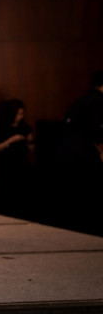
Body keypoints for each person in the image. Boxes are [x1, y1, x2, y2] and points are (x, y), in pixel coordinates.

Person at [57, 70, 103, 235]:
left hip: (66, 152)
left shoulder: (79, 102)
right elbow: (96, 132)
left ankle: (72, 228)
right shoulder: (98, 102)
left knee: (73, 196)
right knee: (88, 196)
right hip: (84, 155)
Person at [0, 99, 34, 216]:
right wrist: (12, 140)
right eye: (19, 114)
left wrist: (30, 143)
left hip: (21, 164)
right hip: (4, 165)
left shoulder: (25, 127)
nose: (21, 117)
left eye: (22, 114)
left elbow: (30, 149)